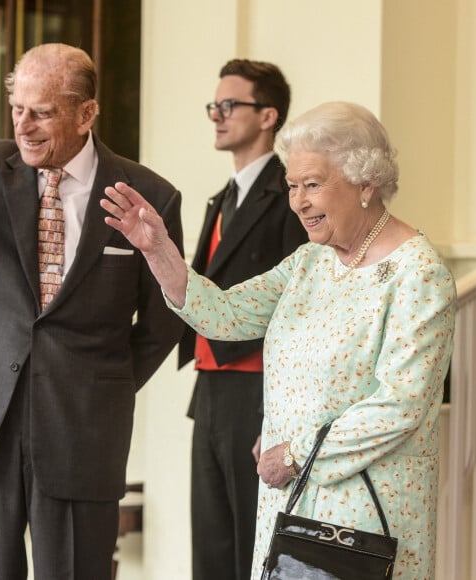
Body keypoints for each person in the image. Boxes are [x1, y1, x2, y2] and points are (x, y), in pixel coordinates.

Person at [101, 101, 456, 579]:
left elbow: (401, 405)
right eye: (292, 186)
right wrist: (159, 250)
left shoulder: (418, 274)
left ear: (366, 182)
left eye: (313, 184)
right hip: (290, 498)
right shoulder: (309, 263)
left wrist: (294, 453)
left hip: (366, 514)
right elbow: (225, 314)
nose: (299, 202)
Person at [0, 43, 184, 579]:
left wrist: (108, 381)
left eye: (43, 112)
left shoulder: (149, 195)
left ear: (86, 113)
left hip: (84, 426)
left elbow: (163, 318)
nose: (24, 126)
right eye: (17, 109)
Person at [178, 59, 307, 580]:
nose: (218, 115)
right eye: (215, 106)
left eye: (230, 106)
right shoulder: (222, 197)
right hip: (208, 389)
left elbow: (299, 311)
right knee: (209, 546)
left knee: (249, 551)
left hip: (257, 393)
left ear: (269, 116)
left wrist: (280, 414)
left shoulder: (292, 195)